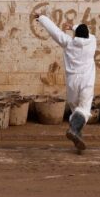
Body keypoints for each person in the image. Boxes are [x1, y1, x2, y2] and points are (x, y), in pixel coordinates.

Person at [35, 14, 96, 152]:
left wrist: (43, 18)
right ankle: (74, 130)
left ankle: (77, 135)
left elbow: (54, 31)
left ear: (76, 35)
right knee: (84, 110)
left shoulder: (68, 42)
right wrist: (74, 27)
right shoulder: (92, 42)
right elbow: (88, 34)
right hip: (86, 82)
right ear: (87, 35)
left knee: (75, 109)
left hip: (72, 82)